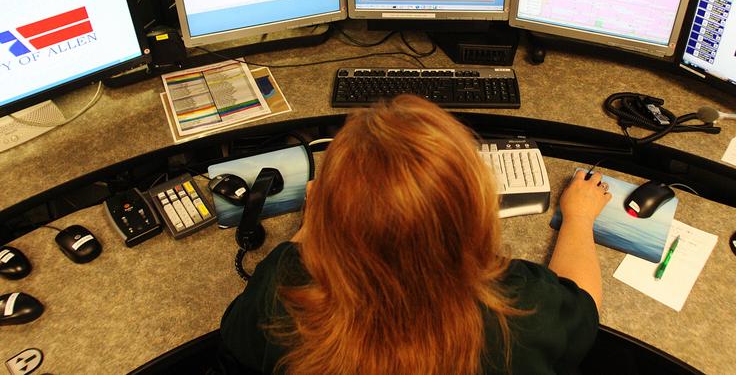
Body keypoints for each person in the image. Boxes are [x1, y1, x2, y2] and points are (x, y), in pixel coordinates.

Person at [221, 95, 611, 374]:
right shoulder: (521, 306)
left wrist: (319, 223)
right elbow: (584, 308)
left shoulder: (282, 293)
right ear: (473, 212)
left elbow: (236, 341)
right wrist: (578, 216)